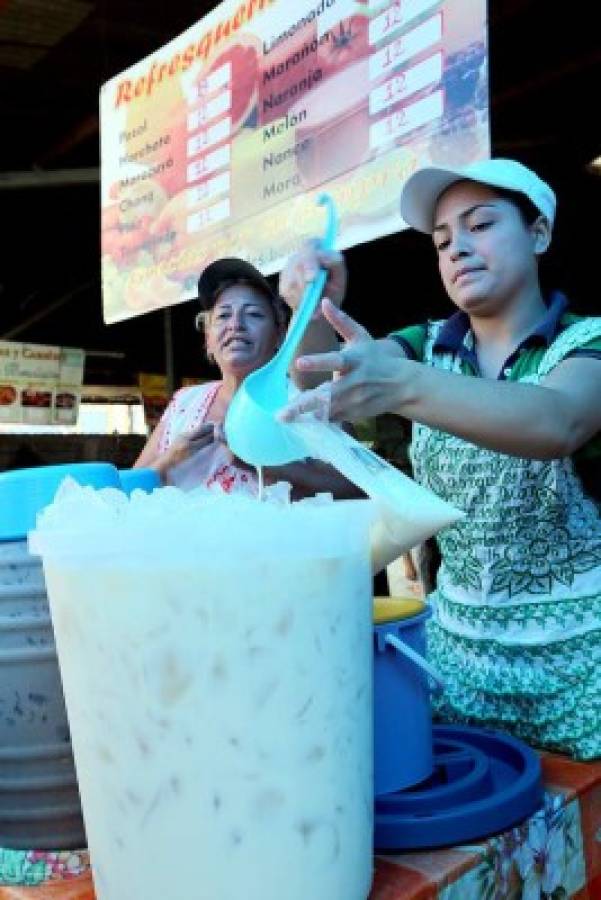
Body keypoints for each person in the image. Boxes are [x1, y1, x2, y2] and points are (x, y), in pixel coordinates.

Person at [278, 158, 601, 759]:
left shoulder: (585, 342)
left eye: (480, 225)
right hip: (456, 666)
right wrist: (311, 309)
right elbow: (316, 388)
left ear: (538, 234)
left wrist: (402, 386)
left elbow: (557, 420)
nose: (457, 249)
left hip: (583, 670)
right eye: (443, 240)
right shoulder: (425, 346)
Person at [134, 257, 358, 500]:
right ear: (208, 339)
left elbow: (358, 486)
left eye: (253, 314)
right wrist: (170, 459)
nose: (236, 325)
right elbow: (125, 490)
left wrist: (269, 466)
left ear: (279, 334)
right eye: (223, 316)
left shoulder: (308, 399)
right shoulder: (185, 403)